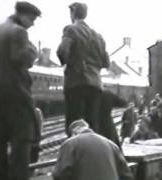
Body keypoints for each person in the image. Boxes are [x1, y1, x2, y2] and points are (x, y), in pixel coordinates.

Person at [0, 2, 41, 180]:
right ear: (23, 15)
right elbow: (21, 58)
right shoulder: (19, 31)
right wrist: (34, 51)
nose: (32, 23)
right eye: (32, 19)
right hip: (15, 95)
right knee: (21, 145)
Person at [57, 2, 110, 136]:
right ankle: (91, 153)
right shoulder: (98, 36)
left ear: (73, 13)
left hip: (76, 83)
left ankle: (76, 154)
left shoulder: (71, 29)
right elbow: (106, 62)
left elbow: (62, 51)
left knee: (75, 123)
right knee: (92, 123)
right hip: (96, 84)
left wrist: (70, 63)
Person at [53, 119, 133, 180]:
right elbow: (126, 174)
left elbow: (60, 174)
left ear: (73, 132)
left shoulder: (70, 143)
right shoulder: (111, 144)